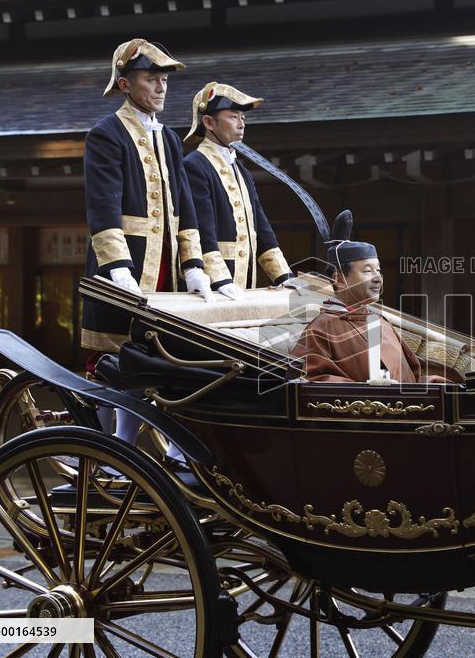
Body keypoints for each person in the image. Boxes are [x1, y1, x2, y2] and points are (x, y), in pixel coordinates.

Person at [82, 38, 214, 444]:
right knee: (113, 358)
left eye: (163, 80)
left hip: (165, 268)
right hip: (124, 267)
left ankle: (138, 452)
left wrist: (193, 264)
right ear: (124, 85)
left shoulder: (172, 139)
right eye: (150, 79)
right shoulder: (105, 134)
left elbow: (185, 208)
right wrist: (117, 267)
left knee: (157, 359)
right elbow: (102, 205)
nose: (160, 87)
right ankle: (110, 450)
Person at [292, 211, 448, 384]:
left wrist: (441, 385)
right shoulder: (322, 327)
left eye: (378, 270)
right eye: (367, 271)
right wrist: (367, 390)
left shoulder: (381, 322)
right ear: (339, 279)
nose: (377, 278)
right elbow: (309, 380)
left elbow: (412, 379)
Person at [183, 82, 293, 299]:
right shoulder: (194, 164)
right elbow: (202, 229)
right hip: (209, 285)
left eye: (243, 118)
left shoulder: (241, 169)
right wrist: (219, 279)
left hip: (243, 280)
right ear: (208, 122)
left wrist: (284, 276)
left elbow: (261, 228)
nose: (241, 124)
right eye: (233, 117)